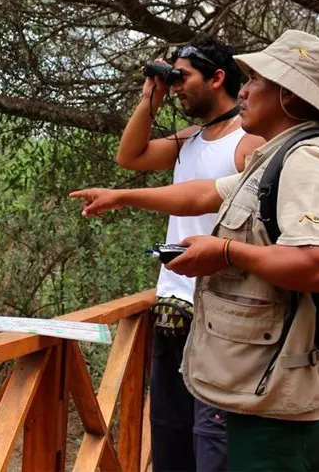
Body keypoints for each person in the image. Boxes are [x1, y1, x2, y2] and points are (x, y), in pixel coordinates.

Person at [72, 30, 319, 471]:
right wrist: (122, 194)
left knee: (215, 446)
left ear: (288, 95)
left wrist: (224, 252)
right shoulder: (271, 154)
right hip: (214, 328)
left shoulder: (302, 159)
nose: (245, 90)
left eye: (256, 80)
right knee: (176, 434)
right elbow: (201, 194)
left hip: (261, 358)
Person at [115, 33, 262, 472]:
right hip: (172, 300)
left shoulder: (247, 141)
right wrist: (150, 100)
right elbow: (130, 155)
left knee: (213, 434)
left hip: (220, 308)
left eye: (183, 77)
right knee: (170, 427)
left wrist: (123, 197)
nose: (177, 85)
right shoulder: (191, 138)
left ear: (218, 78)